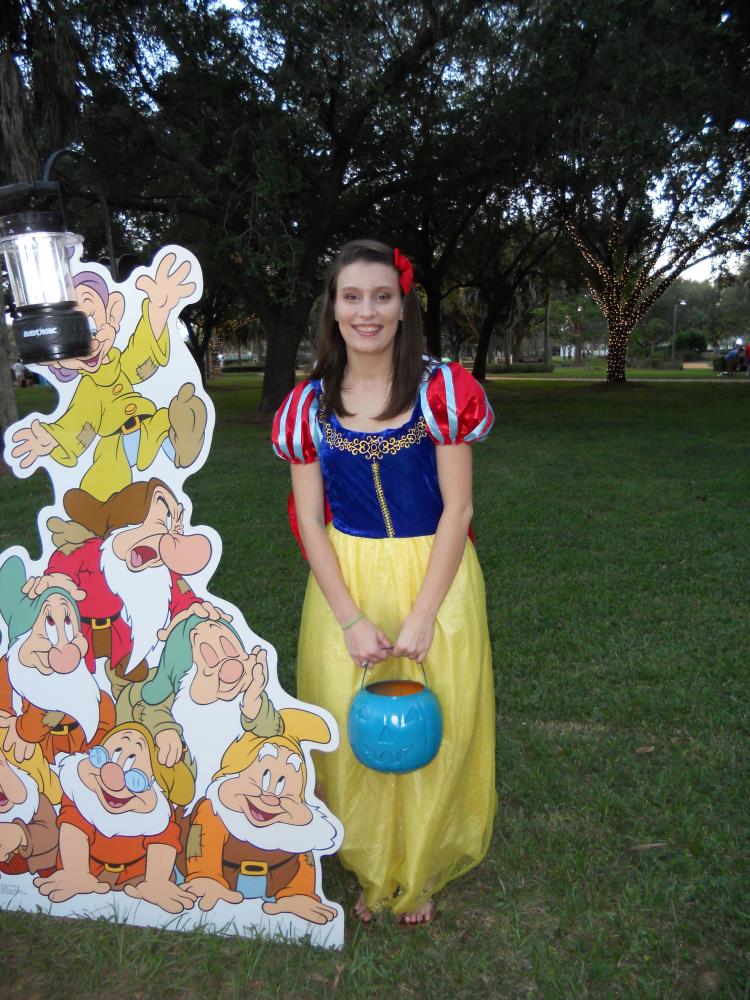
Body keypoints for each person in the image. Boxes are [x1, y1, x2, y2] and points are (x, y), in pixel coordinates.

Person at [272, 239, 496, 926]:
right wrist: (348, 617)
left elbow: (458, 507)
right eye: (352, 297)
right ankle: (370, 862)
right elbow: (310, 519)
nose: (366, 311)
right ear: (332, 310)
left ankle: (422, 862)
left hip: (438, 572)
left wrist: (427, 613)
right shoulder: (307, 404)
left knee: (437, 717)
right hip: (346, 578)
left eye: (381, 296)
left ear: (403, 308)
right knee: (352, 719)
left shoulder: (442, 391)